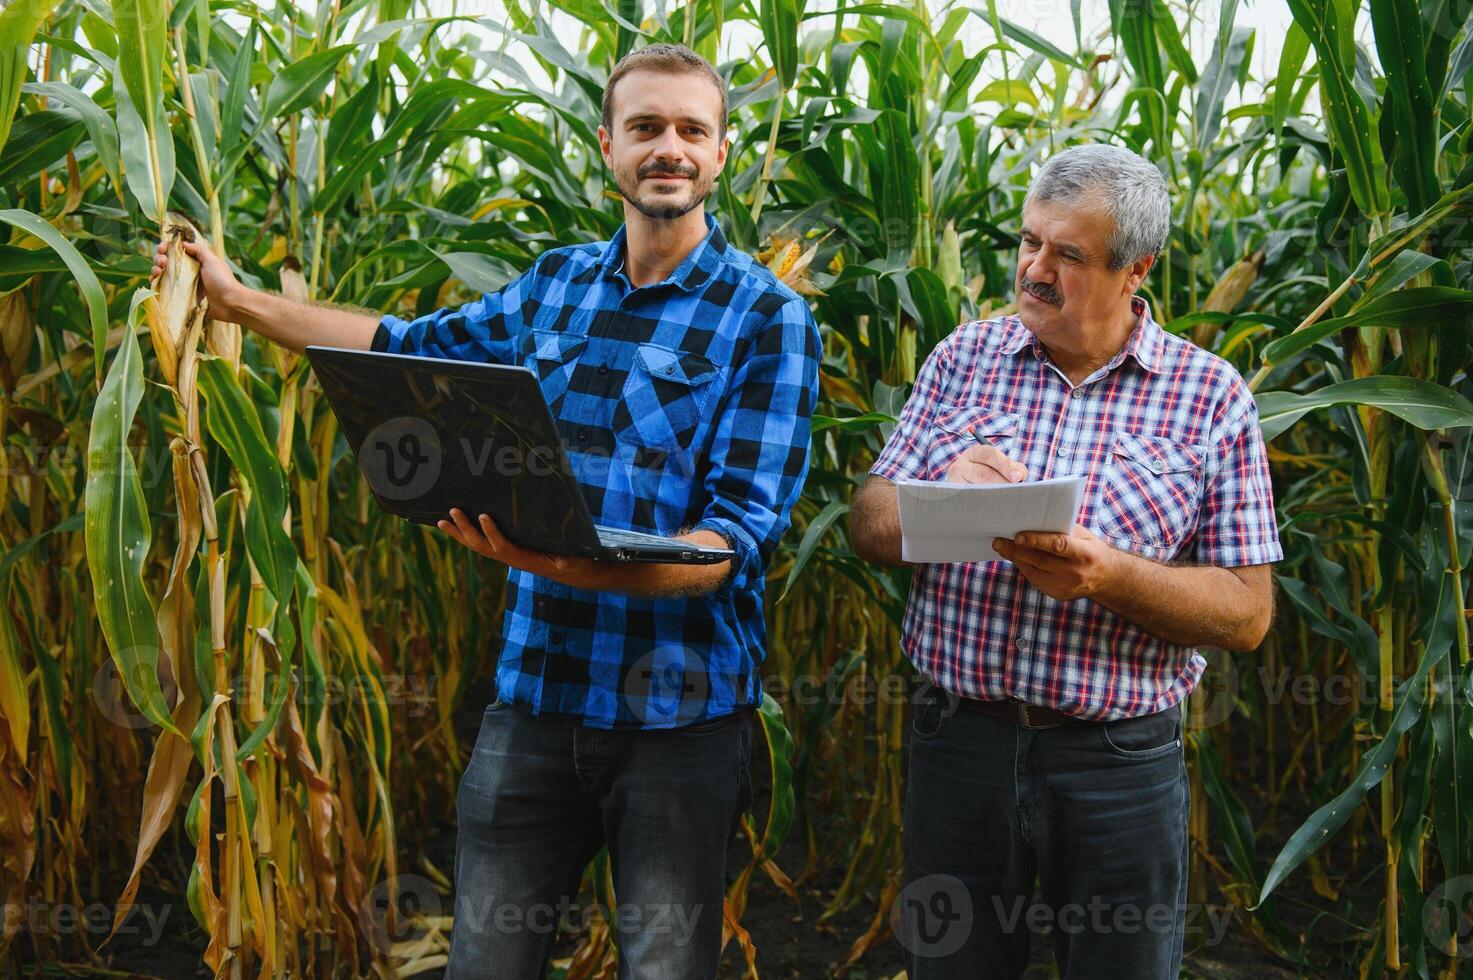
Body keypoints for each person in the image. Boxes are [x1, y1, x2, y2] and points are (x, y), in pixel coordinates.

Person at [152, 43, 820, 980]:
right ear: (607, 145)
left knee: (666, 968)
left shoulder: (766, 318)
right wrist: (238, 303)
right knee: (487, 960)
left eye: (689, 130)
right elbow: (400, 346)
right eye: (645, 128)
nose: (667, 147)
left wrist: (580, 564)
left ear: (718, 155)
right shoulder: (555, 285)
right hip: (535, 695)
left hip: (680, 718)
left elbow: (735, 541)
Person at [848, 143, 1281, 979]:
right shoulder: (962, 358)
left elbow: (1247, 613)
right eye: (1028, 242)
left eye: (1068, 255)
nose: (1034, 271)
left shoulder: (1209, 397)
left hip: (1117, 763)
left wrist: (1108, 576)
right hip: (957, 743)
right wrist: (936, 493)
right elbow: (867, 522)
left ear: (1136, 270)